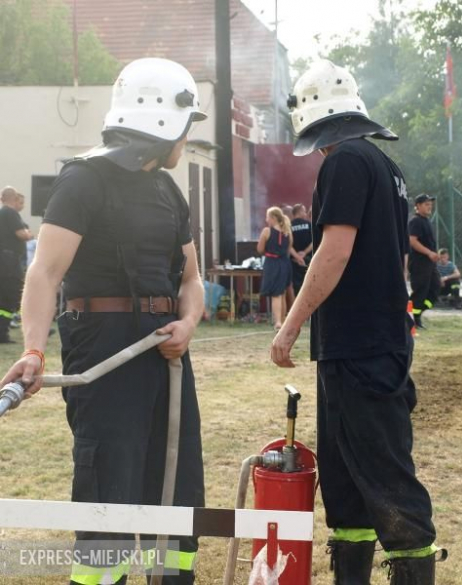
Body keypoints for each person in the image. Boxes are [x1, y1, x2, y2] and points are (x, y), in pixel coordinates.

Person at [0, 58, 207, 584]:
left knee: (176, 494)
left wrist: (188, 323)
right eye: (187, 127)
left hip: (168, 359)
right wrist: (33, 349)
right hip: (105, 355)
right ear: (165, 123)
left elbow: (191, 279)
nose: (188, 139)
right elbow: (44, 275)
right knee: (107, 500)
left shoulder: (168, 190)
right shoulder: (83, 180)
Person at [270, 60, 442, 585]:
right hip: (356, 347)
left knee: (386, 477)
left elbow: (333, 251)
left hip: (362, 347)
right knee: (345, 483)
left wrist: (291, 323)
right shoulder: (383, 165)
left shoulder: (345, 160)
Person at [0, 187, 33, 343]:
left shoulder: (2, 213)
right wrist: (28, 234)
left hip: (4, 261)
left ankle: (3, 332)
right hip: (9, 262)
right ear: (13, 198)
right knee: (16, 292)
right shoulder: (10, 213)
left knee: (5, 297)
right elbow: (22, 234)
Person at [258, 206, 296, 330]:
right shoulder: (287, 232)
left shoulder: (266, 231)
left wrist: (269, 253)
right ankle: (283, 321)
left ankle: (278, 322)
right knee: (282, 293)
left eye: (267, 217)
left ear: (273, 217)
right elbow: (289, 248)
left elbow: (260, 249)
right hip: (285, 263)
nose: (266, 219)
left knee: (276, 294)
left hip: (272, 263)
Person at [408, 193, 439, 329]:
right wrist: (429, 253)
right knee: (420, 291)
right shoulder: (415, 221)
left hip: (429, 263)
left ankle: (418, 314)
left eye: (430, 204)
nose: (429, 207)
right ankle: (411, 320)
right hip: (419, 262)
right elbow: (412, 241)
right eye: (426, 204)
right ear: (418, 206)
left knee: (435, 289)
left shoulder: (426, 221)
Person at [290, 203, 313, 296]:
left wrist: (296, 256)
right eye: (304, 210)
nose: (306, 213)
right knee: (309, 283)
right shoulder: (309, 225)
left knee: (296, 286)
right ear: (299, 212)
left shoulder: (288, 226)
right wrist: (304, 253)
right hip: (308, 259)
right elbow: (314, 242)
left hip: (293, 261)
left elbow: (288, 244)